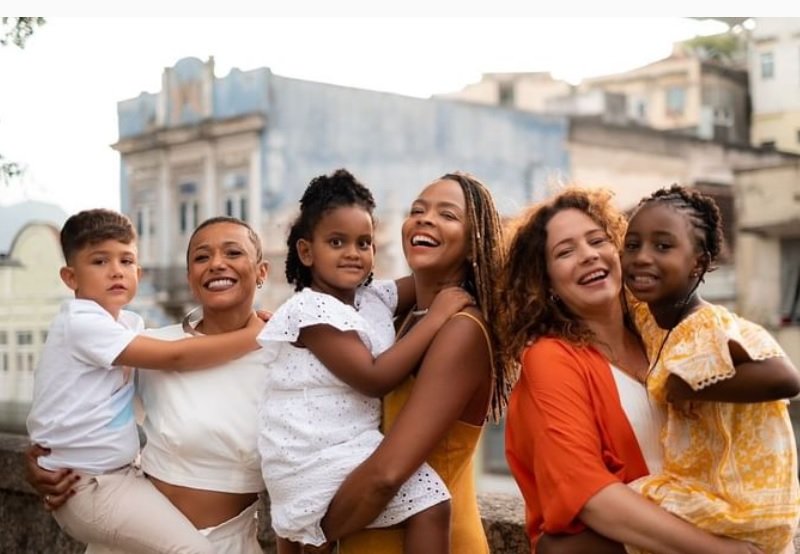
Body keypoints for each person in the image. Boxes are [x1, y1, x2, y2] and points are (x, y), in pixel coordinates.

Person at [499, 187, 787, 554]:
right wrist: (720, 551)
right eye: (565, 252)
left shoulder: (663, 334)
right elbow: (588, 494)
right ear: (547, 283)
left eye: (597, 240)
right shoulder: (551, 358)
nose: (587, 256)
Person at [26, 215, 270, 554]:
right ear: (189, 278)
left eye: (233, 253)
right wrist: (42, 458)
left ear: (262, 271)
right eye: (201, 257)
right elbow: (73, 393)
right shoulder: (151, 345)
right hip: (129, 537)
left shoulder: (284, 358)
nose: (216, 264)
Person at [258, 169, 473, 553]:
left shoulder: (369, 298)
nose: (353, 254)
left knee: (427, 504)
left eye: (364, 243)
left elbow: (429, 281)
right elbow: (374, 378)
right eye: (337, 242)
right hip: (311, 454)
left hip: (345, 445)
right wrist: (439, 317)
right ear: (306, 252)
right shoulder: (312, 311)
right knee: (432, 502)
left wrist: (478, 265)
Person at [316, 171, 515, 554]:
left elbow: (386, 475)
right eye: (417, 210)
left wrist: (311, 530)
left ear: (475, 245)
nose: (425, 219)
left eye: (448, 215)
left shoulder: (462, 331)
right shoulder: (405, 316)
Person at [621, 184, 800, 554]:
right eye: (632, 245)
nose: (642, 257)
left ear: (698, 263)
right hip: (707, 496)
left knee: (601, 509)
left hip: (741, 508)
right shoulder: (654, 317)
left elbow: (786, 378)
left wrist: (688, 386)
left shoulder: (707, 326)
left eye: (663, 246)